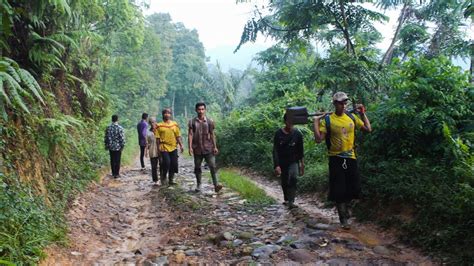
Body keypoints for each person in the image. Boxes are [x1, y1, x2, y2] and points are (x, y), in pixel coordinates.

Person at [313, 91, 372, 229]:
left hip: (351, 157)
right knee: (339, 190)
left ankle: (347, 210)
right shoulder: (328, 120)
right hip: (336, 158)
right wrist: (316, 122)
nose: (343, 105)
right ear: (334, 104)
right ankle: (343, 218)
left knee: (355, 187)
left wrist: (362, 114)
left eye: (345, 102)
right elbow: (318, 139)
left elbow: (368, 129)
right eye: (340, 103)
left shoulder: (351, 117)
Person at [188, 102, 223, 193]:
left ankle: (216, 185)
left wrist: (215, 146)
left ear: (205, 110)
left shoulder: (210, 121)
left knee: (213, 166)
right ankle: (199, 184)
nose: (201, 111)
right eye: (199, 109)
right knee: (197, 167)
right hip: (197, 148)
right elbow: (190, 134)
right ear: (196, 110)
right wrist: (190, 147)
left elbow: (212, 134)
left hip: (208, 148)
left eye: (202, 109)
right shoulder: (192, 122)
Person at [273, 113, 304, 209]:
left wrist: (302, 164)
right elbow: (275, 150)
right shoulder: (278, 134)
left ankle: (291, 201)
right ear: (285, 121)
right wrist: (276, 165)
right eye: (288, 121)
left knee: (293, 177)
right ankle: (286, 199)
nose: (290, 123)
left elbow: (300, 150)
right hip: (282, 162)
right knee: (285, 180)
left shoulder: (298, 134)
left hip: (294, 161)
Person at [155, 108, 184, 186]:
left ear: (170, 115)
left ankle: (171, 179)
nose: (167, 114)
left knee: (174, 163)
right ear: (163, 115)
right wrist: (158, 150)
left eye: (168, 113)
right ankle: (163, 177)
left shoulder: (174, 124)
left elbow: (177, 136)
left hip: (173, 146)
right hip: (164, 147)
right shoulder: (159, 125)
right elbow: (157, 139)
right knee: (167, 163)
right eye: (165, 113)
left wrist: (181, 145)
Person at [146, 117, 160, 185]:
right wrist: (146, 151)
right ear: (149, 123)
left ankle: (163, 178)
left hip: (160, 150)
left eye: (154, 121)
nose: (153, 123)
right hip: (152, 151)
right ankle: (155, 180)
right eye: (151, 122)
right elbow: (148, 143)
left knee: (162, 165)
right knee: (154, 166)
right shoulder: (148, 132)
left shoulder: (160, 129)